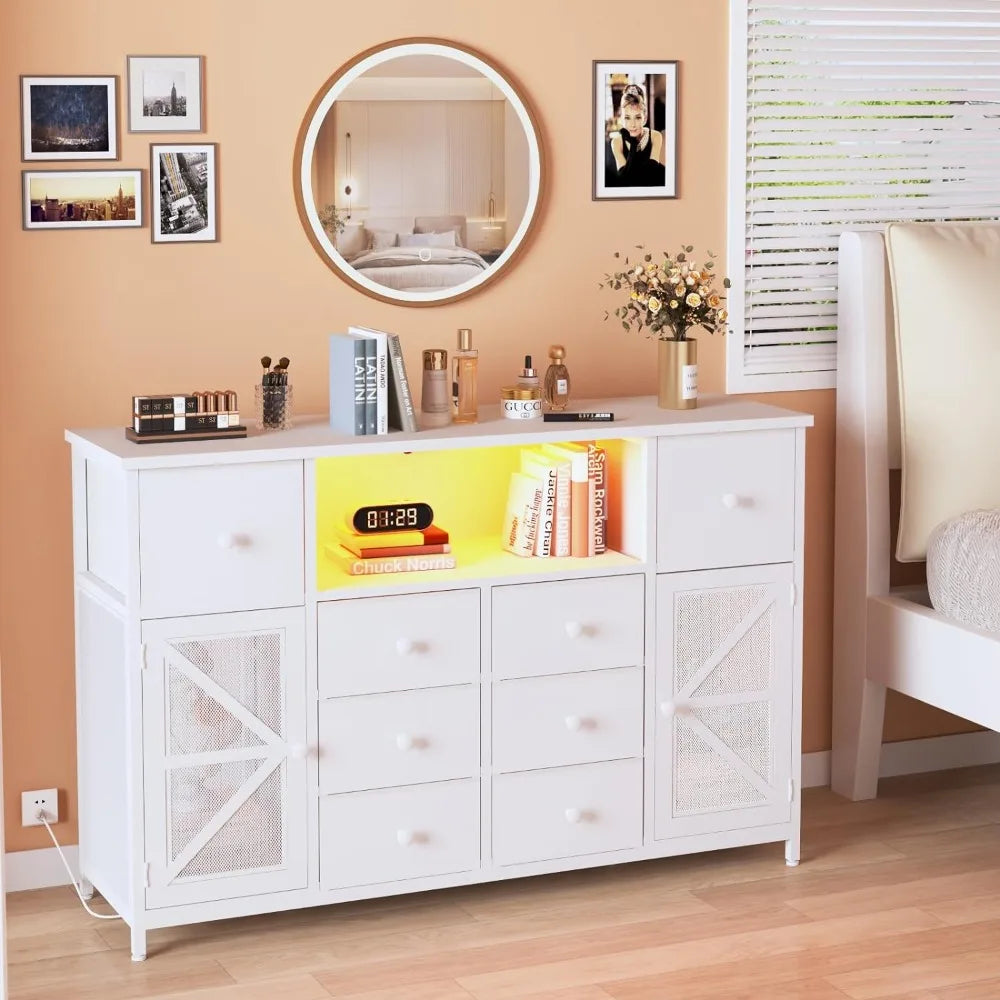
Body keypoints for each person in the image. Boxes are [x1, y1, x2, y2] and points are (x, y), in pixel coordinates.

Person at [606, 83, 666, 187]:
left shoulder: (655, 136)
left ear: (645, 118)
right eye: (627, 118)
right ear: (622, 119)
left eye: (638, 117)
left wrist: (632, 141)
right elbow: (624, 179)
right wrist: (633, 143)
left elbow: (652, 174)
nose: (632, 124)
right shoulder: (616, 142)